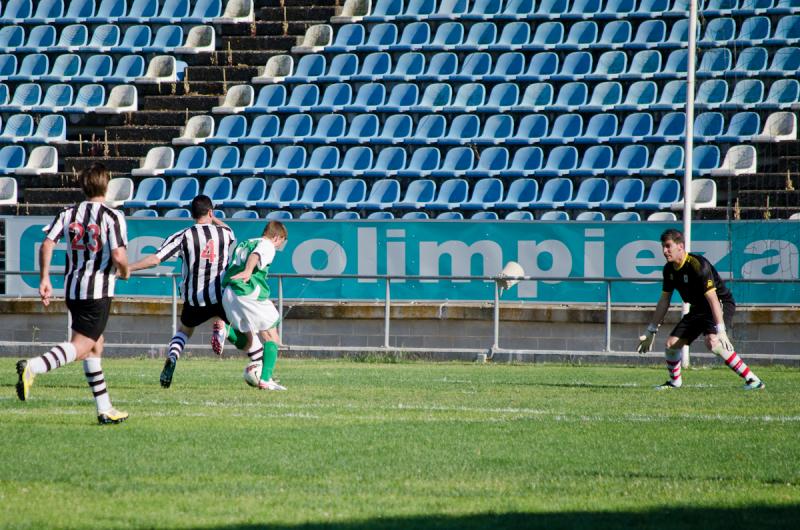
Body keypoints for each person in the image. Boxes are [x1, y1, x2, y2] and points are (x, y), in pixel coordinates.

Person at [16, 163, 132, 424]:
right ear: (107, 184)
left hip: (73, 289)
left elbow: (47, 243)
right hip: (97, 291)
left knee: (94, 347)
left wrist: (44, 277)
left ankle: (105, 408)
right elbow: (118, 255)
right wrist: (124, 271)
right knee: (81, 347)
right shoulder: (113, 216)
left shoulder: (69, 213)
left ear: (83, 185)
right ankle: (32, 366)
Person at [128, 195, 235, 388]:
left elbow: (155, 259)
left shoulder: (184, 235)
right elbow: (227, 228)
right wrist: (214, 217)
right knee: (240, 325)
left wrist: (129, 268)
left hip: (194, 299)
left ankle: (173, 355)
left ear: (192, 214)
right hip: (219, 296)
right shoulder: (225, 233)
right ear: (210, 212)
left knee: (185, 331)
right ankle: (245, 351)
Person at [637, 228, 765, 390]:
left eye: (668, 246)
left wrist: (721, 330)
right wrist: (651, 330)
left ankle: (753, 380)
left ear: (681, 246)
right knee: (671, 344)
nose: (664, 251)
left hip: (720, 303)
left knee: (713, 342)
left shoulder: (698, 265)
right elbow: (664, 301)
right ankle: (675, 382)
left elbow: (713, 299)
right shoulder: (669, 269)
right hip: (699, 308)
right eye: (663, 247)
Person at [221, 220, 287, 391]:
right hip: (247, 290)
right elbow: (256, 255)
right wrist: (249, 271)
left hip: (229, 292)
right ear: (276, 237)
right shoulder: (267, 245)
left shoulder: (247, 242)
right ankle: (265, 379)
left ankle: (225, 330)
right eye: (282, 241)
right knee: (272, 336)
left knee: (248, 336)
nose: (280, 246)